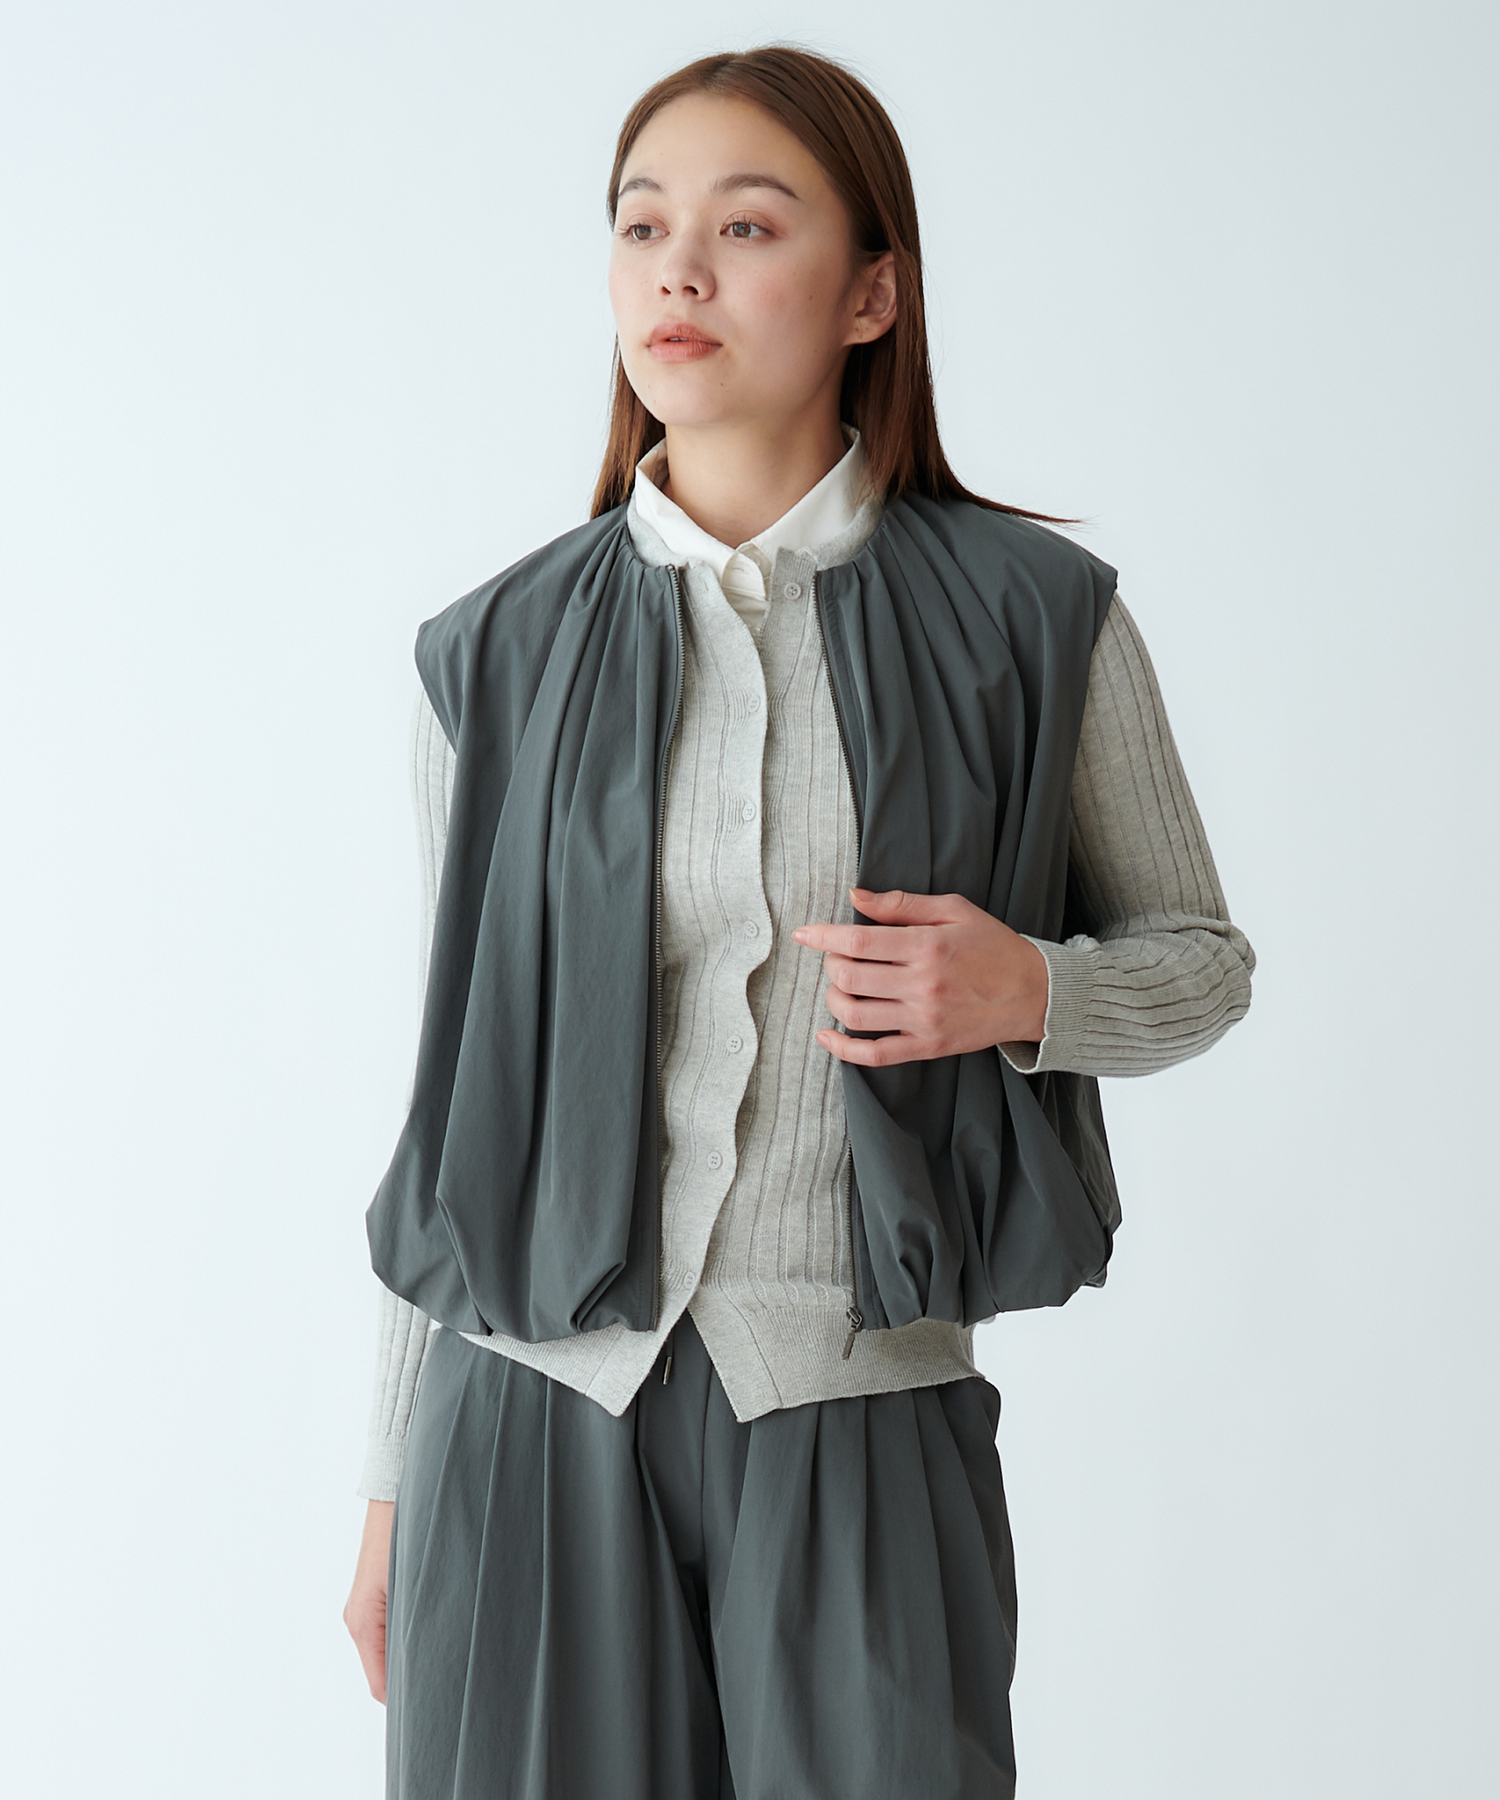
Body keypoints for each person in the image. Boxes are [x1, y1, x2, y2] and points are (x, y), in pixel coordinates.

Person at [342, 44, 1254, 1800]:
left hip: (859, 1411)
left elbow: (1201, 963)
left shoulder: (1033, 620)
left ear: (870, 292)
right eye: (642, 227)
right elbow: (455, 1098)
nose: (677, 272)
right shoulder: (494, 658)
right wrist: (390, 1486)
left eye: (747, 226)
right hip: (526, 1421)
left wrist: (1027, 989)